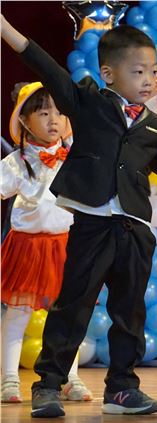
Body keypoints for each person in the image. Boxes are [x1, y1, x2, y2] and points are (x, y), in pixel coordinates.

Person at [1, 16, 157, 418]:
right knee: (73, 305)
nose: (149, 80)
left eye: (153, 71)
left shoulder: (154, 126)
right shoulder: (88, 102)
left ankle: (122, 389)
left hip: (134, 228)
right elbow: (45, 66)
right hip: (93, 223)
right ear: (109, 73)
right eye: (138, 71)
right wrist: (7, 30)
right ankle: (48, 385)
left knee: (130, 310)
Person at [1, 81, 92, 404]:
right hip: (27, 247)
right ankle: (9, 379)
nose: (53, 119)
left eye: (59, 112)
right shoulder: (16, 162)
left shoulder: (75, 157)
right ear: (24, 121)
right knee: (17, 314)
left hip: (66, 246)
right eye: (43, 113)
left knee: (69, 316)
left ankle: (70, 377)